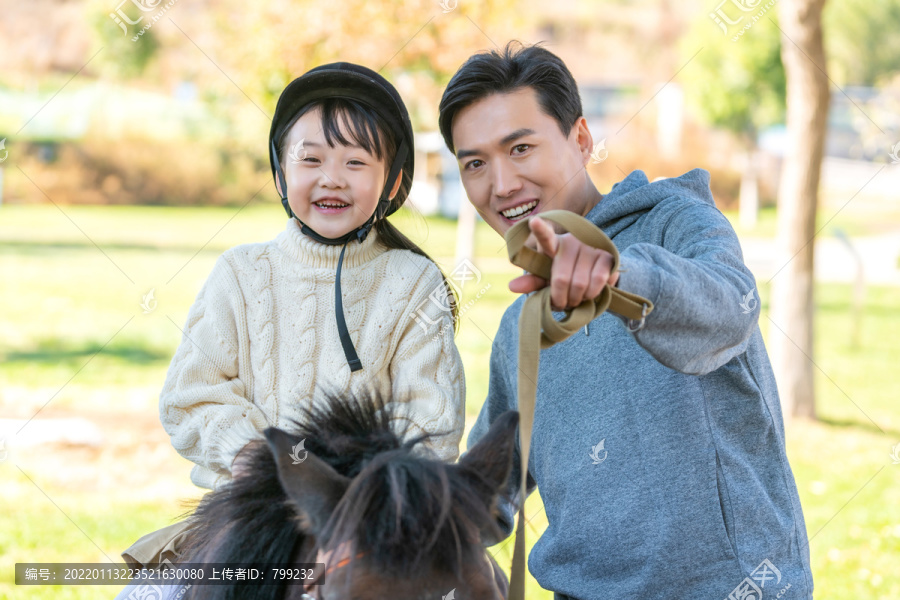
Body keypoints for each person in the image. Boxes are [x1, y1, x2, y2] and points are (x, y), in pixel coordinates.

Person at [439, 42, 813, 599]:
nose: (501, 185)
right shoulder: (521, 327)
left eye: (520, 147)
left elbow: (729, 309)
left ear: (582, 139)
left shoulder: (675, 221)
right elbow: (483, 499)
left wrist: (619, 276)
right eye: (475, 164)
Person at [119, 62, 466, 575]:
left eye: (356, 162)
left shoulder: (413, 282)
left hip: (370, 527)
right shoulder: (240, 273)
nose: (331, 178)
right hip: (250, 517)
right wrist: (266, 462)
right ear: (282, 173)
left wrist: (350, 493)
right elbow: (190, 396)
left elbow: (431, 425)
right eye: (311, 159)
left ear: (392, 182)